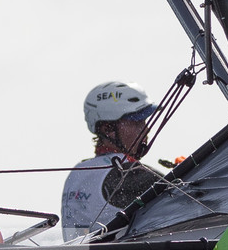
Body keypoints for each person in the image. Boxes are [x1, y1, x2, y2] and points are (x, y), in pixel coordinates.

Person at [61, 80, 164, 240]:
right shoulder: (127, 175)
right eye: (136, 122)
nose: (146, 128)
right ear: (107, 129)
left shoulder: (78, 171)